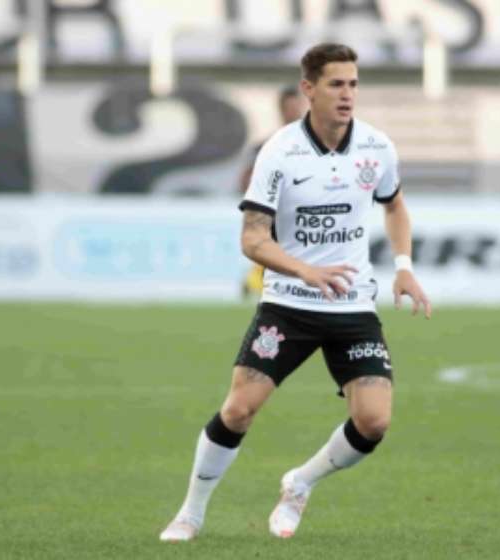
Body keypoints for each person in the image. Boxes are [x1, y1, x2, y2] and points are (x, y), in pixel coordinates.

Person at [160, 42, 431, 542]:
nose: (347, 94)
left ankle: (301, 482)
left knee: (373, 422)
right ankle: (190, 512)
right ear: (309, 89)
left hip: (352, 305)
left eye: (353, 83)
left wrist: (404, 266)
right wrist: (303, 269)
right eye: (336, 84)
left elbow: (394, 206)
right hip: (288, 305)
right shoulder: (279, 153)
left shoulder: (376, 148)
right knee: (239, 408)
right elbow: (252, 238)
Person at [238, 86, 308, 296]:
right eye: (288, 107)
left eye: (296, 106)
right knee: (269, 244)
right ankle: (256, 281)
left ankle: (255, 281)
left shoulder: (314, 142)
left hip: (303, 208)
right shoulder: (267, 145)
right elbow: (246, 177)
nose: (293, 111)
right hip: (274, 208)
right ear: (281, 109)